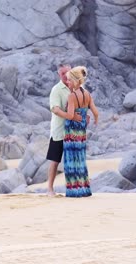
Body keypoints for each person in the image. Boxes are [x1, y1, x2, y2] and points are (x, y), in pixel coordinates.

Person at [56, 66, 99, 197]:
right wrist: (90, 120)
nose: (67, 82)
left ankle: (74, 190)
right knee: (80, 159)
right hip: (81, 132)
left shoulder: (72, 96)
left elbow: (69, 115)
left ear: (74, 81)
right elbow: (96, 112)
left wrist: (59, 111)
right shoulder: (87, 94)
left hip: (71, 132)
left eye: (69, 80)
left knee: (71, 160)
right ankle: (84, 189)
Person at [46, 65, 82, 196]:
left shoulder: (77, 87)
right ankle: (50, 188)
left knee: (73, 160)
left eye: (68, 72)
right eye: (63, 73)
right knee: (55, 161)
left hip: (74, 131)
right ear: (59, 74)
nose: (66, 75)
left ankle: (74, 188)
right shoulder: (56, 90)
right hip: (59, 131)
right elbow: (55, 109)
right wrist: (70, 115)